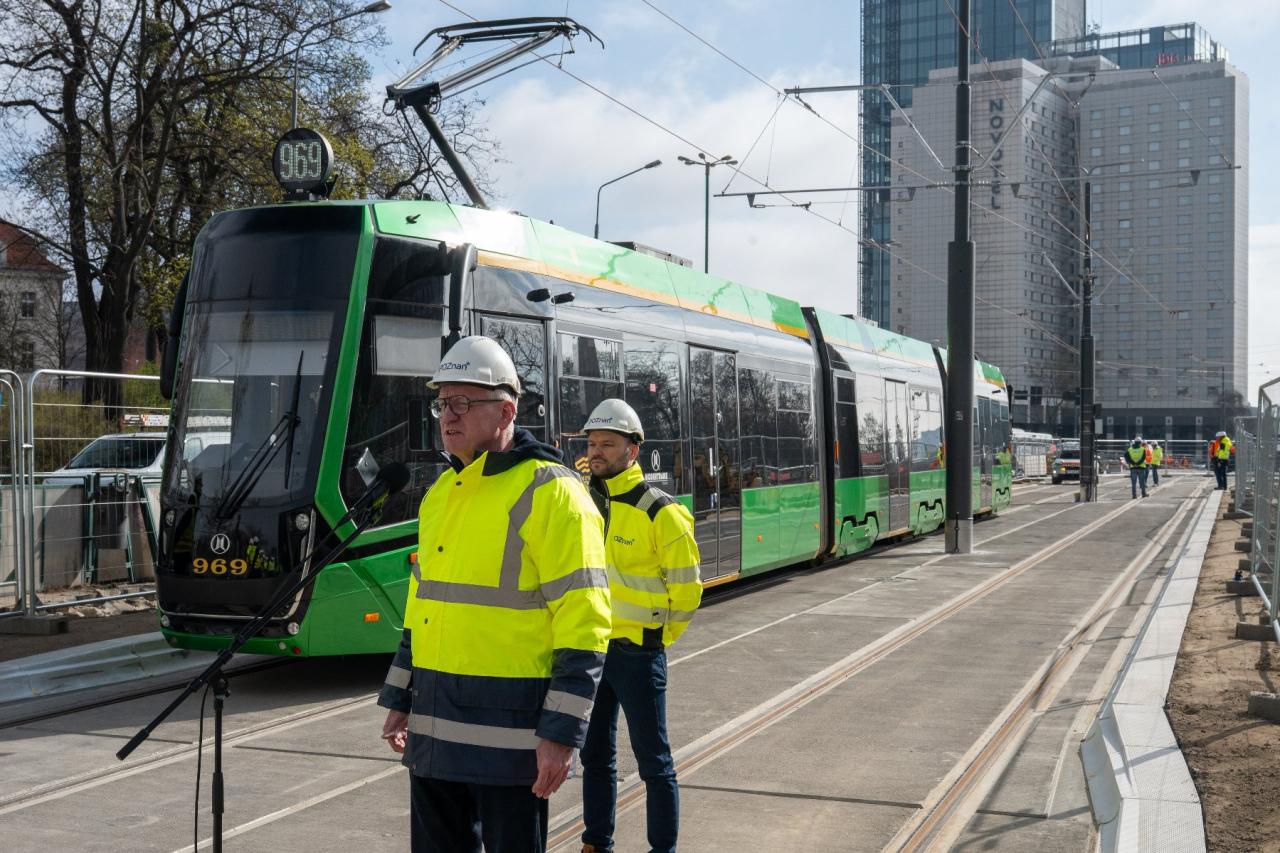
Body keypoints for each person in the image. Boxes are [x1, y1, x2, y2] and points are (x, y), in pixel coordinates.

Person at [378, 335, 612, 853]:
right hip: (436, 733)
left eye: (463, 403)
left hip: (512, 745)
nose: (448, 416)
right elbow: (424, 606)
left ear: (506, 410)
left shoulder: (553, 493)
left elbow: (586, 621)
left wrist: (560, 734)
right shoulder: (442, 494)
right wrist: (400, 696)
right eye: (442, 403)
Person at [577, 399, 702, 853]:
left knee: (654, 762)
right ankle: (596, 843)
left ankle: (662, 850)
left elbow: (687, 591)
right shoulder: (583, 503)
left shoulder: (660, 511)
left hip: (637, 654)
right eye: (592, 444)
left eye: (608, 445)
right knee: (594, 757)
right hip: (590, 650)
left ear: (633, 450)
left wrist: (657, 637)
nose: (597, 453)